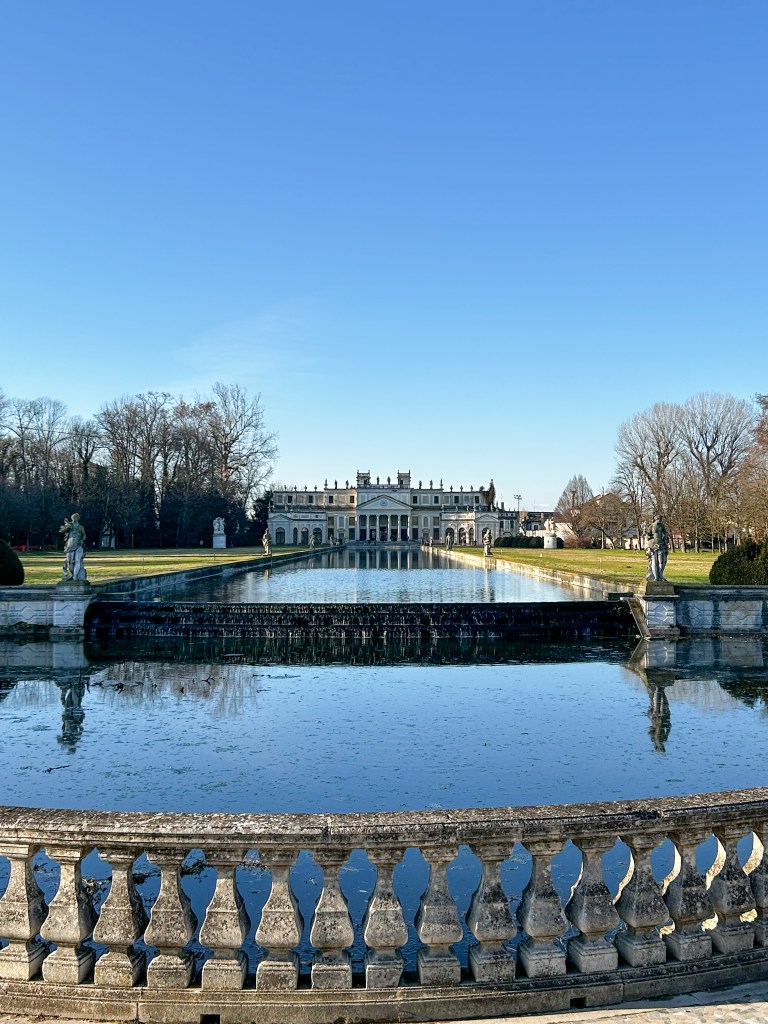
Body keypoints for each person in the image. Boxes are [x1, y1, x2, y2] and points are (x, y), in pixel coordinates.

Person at [60, 513, 87, 581]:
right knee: (69, 562)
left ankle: (75, 576)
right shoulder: (70, 525)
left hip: (78, 545)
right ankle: (72, 574)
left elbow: (84, 535)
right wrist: (67, 527)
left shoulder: (81, 527)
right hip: (70, 544)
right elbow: (61, 531)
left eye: (76, 518)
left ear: (78, 518)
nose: (75, 519)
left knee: (77, 560)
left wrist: (82, 540)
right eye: (73, 518)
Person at [645, 516, 670, 581]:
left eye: (660, 519)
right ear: (655, 519)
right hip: (653, 545)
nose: (659, 520)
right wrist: (648, 538)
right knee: (654, 562)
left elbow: (665, 534)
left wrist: (665, 540)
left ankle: (660, 575)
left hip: (661, 545)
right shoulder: (651, 526)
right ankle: (656, 577)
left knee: (662, 561)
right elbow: (647, 535)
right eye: (658, 519)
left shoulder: (662, 526)